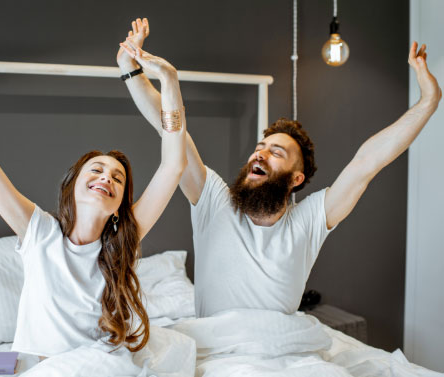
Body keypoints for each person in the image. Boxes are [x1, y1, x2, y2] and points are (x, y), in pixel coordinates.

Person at [118, 18, 441, 317]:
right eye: (259, 148)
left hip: (281, 355)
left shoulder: (309, 220)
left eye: (276, 152)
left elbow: (367, 162)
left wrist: (429, 101)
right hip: (216, 356)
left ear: (296, 178)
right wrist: (132, 70)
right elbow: (171, 130)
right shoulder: (213, 202)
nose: (260, 154)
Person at [0, 19, 187, 358]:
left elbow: (174, 165)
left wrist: (169, 80)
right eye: (97, 169)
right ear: (73, 187)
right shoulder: (40, 233)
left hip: (96, 367)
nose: (107, 178)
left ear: (119, 205)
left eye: (117, 178)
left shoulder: (120, 245)